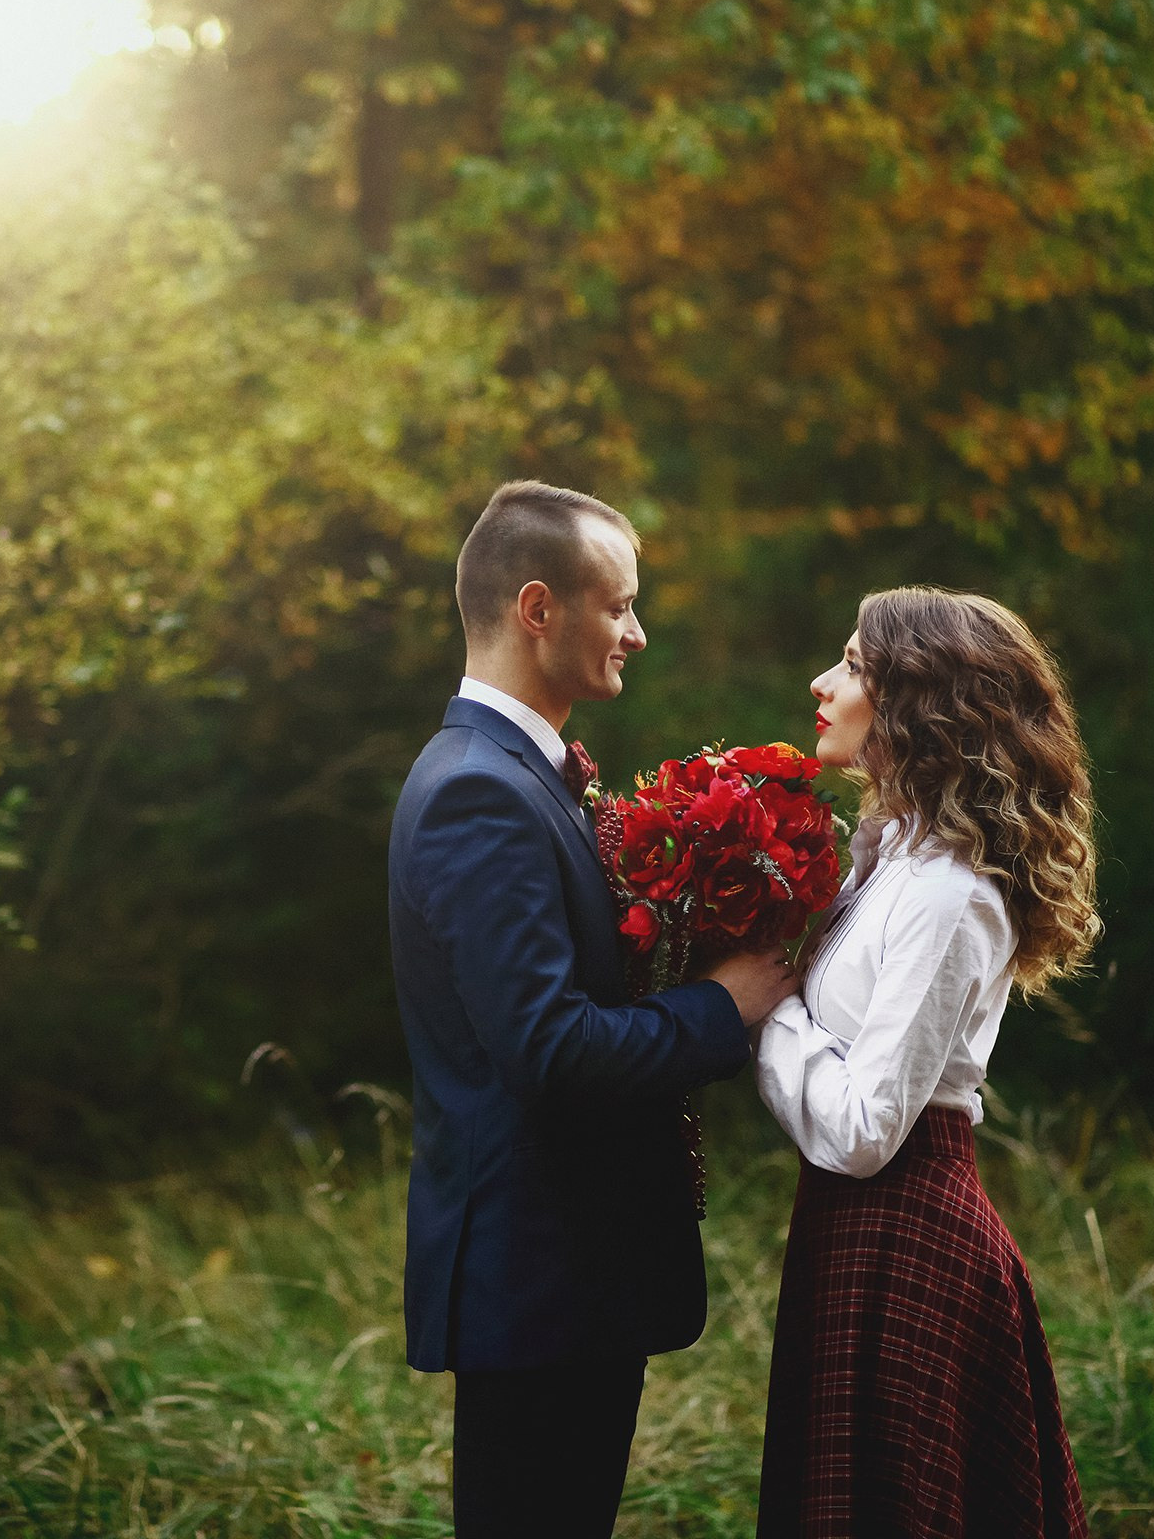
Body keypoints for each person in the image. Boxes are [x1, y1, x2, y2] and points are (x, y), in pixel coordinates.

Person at [387, 480, 797, 1539]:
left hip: (568, 1284)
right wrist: (722, 1006)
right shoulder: (480, 792)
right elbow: (551, 1050)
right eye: (618, 605)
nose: (637, 632)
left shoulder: (523, 776)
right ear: (539, 608)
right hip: (538, 1286)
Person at [756, 586, 1099, 1538]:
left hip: (908, 1231)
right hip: (853, 1225)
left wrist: (762, 1009)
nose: (821, 683)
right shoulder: (887, 862)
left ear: (918, 702)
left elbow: (865, 1129)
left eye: (851, 666)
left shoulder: (950, 894)